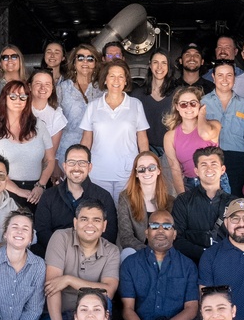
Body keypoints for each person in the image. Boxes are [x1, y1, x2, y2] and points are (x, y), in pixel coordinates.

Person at [40, 198, 121, 320]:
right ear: (75, 223)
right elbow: (52, 287)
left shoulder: (111, 250)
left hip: (91, 318)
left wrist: (68, 280)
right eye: (84, 219)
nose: (90, 225)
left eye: (96, 220)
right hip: (57, 315)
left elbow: (108, 292)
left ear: (104, 226)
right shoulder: (61, 238)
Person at [79, 58, 150, 202]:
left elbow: (142, 139)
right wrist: (81, 165)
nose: (116, 80)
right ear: (105, 80)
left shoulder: (135, 104)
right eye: (112, 76)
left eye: (121, 76)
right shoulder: (93, 106)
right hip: (98, 172)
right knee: (99, 213)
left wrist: (145, 166)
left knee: (124, 215)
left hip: (128, 173)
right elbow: (86, 140)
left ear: (126, 81)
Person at [32, 144, 119, 257]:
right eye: (71, 162)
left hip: (92, 257)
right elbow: (42, 231)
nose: (76, 168)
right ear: (64, 166)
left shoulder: (103, 197)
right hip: (57, 254)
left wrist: (85, 252)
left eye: (82, 163)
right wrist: (65, 251)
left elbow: (109, 233)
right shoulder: (49, 196)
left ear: (90, 167)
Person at [0, 80, 54, 209]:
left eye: (23, 96)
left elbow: (50, 159)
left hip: (37, 192)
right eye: (13, 96)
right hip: (4, 192)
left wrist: (41, 185)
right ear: (5, 99)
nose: (18, 100)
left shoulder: (39, 125)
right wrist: (19, 191)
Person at [171, 146, 233, 263]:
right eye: (204, 165)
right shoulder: (183, 201)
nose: (209, 169)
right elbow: (176, 238)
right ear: (196, 171)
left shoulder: (233, 203)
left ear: (223, 169)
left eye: (214, 164)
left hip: (226, 264)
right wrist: (204, 253)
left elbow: (241, 238)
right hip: (190, 265)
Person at [163, 86, 224, 195]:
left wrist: (201, 114)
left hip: (216, 180)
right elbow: (175, 169)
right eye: (183, 104)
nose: (189, 107)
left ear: (200, 105)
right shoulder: (170, 136)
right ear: (177, 107)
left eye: (193, 103)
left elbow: (205, 134)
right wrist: (182, 196)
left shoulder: (214, 124)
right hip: (191, 183)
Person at [201, 61, 244, 196]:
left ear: (234, 78)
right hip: (210, 158)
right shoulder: (203, 103)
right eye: (220, 75)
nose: (224, 80)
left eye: (229, 75)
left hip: (237, 160)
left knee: (235, 203)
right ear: (213, 77)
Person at [117, 151, 174, 259]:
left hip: (164, 252)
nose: (146, 172)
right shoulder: (125, 198)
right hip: (137, 252)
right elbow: (126, 237)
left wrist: (160, 251)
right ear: (137, 173)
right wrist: (149, 252)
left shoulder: (170, 201)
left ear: (158, 170)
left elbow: (173, 235)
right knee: (127, 252)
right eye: (141, 169)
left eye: (151, 167)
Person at [56, 44, 103, 167]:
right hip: (66, 151)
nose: (85, 62)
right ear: (74, 62)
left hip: (97, 150)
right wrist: (54, 160)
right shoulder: (62, 89)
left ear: (96, 63)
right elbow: (53, 126)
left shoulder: (103, 90)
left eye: (90, 58)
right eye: (80, 58)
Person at [131, 49, 177, 157]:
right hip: (144, 150)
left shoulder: (178, 94)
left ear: (169, 67)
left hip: (171, 152)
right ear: (150, 66)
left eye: (164, 63)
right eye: (155, 62)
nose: (159, 67)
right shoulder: (137, 95)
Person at [29, 68, 68, 180]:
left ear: (52, 88)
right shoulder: (19, 109)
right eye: (38, 83)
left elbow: (50, 154)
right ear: (29, 86)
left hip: (40, 172)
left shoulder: (56, 115)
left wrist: (41, 180)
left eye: (47, 84)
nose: (43, 88)